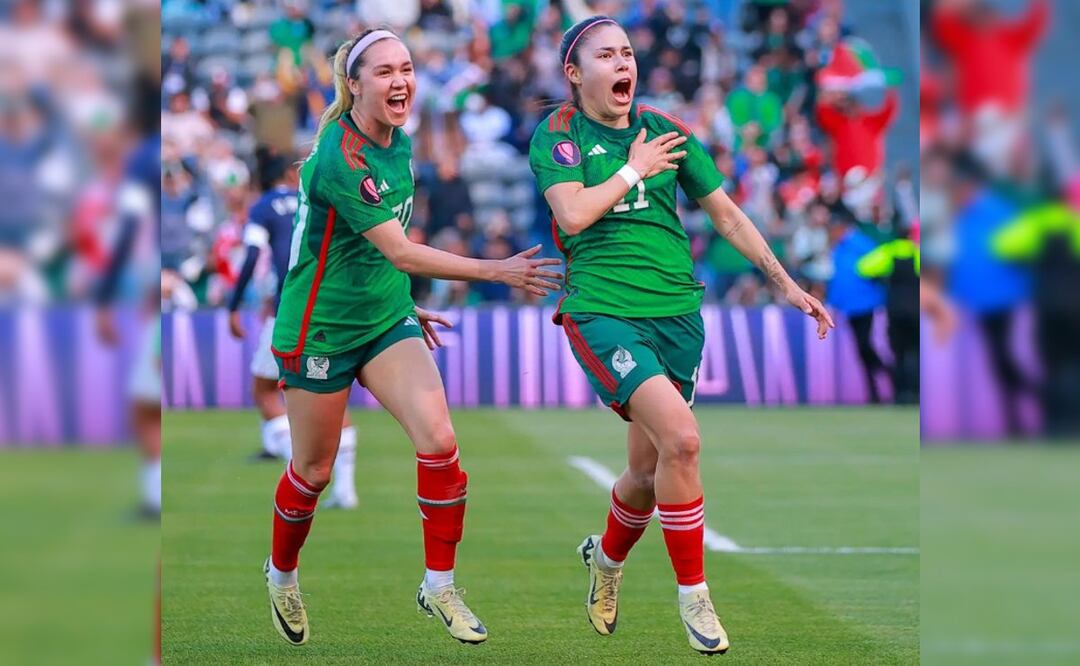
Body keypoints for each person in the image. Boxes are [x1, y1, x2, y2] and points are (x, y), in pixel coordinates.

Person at [528, 16, 834, 656]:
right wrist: (635, 169)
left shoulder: (666, 129)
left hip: (678, 316)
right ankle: (694, 595)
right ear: (575, 73)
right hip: (604, 310)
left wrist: (785, 283)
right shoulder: (558, 136)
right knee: (685, 441)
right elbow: (575, 212)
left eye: (628, 54)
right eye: (606, 56)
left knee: (645, 474)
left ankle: (606, 562)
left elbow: (725, 213)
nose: (623, 65)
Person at [263, 29, 563, 647]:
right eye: (384, 72)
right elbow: (399, 248)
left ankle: (440, 584)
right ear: (354, 85)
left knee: (441, 441)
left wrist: (404, 306)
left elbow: (380, 253)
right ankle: (282, 573)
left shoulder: (399, 144)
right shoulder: (337, 160)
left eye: (406, 69)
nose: (401, 82)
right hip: (319, 328)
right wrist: (494, 269)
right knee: (314, 471)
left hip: (384, 319)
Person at [226, 150, 360, 508]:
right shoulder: (319, 194)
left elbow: (253, 255)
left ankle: (295, 465)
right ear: (292, 172)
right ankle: (345, 489)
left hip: (294, 305)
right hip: (334, 303)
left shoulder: (264, 206)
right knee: (334, 391)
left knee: (266, 389)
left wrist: (234, 305)